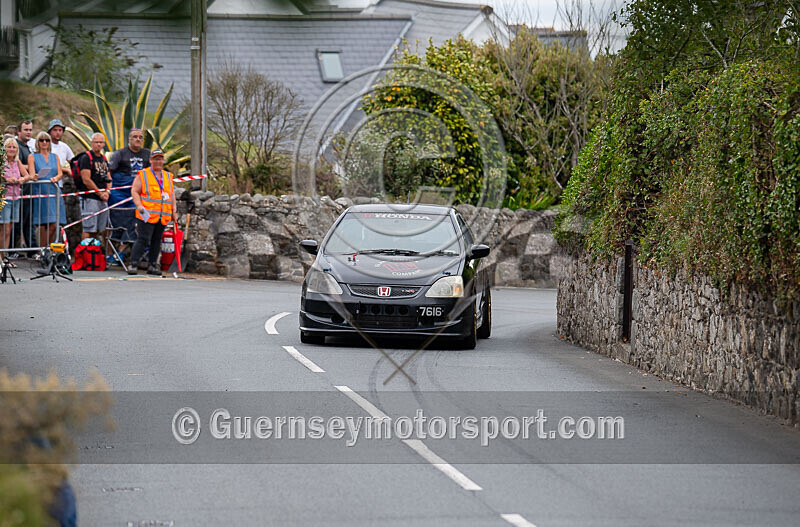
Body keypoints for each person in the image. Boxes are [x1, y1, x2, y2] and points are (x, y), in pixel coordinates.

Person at [128, 149, 177, 276]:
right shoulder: (143, 174)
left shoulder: (168, 176)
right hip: (147, 213)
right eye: (156, 159)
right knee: (143, 239)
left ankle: (153, 265)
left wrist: (174, 211)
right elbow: (134, 191)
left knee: (157, 240)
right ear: (150, 160)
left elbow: (171, 194)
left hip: (163, 215)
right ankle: (133, 263)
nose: (158, 161)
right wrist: (139, 205)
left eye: (160, 159)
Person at [108, 129, 149, 249]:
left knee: (136, 221)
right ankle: (113, 252)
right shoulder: (120, 154)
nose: (138, 139)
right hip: (119, 195)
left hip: (137, 194)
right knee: (118, 223)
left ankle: (129, 250)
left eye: (140, 137)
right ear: (129, 139)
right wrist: (108, 190)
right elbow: (109, 172)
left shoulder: (147, 154)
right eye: (135, 137)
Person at [27, 131, 65, 247]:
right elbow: (32, 174)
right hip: (41, 191)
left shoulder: (55, 156)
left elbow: (60, 173)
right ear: (37, 142)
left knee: (54, 224)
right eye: (41, 140)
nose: (44, 142)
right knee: (43, 223)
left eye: (47, 140)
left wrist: (56, 178)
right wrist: (35, 176)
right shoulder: (32, 156)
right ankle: (42, 250)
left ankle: (46, 248)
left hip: (54, 191)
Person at [78, 133, 111, 247]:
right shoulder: (86, 158)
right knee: (88, 228)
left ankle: (93, 253)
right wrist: (100, 193)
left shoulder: (103, 158)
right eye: (96, 142)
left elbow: (109, 177)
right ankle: (84, 252)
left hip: (103, 198)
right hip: (90, 198)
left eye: (101, 142)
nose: (98, 144)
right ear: (92, 143)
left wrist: (107, 192)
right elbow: (86, 179)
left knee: (98, 229)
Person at [1, 137, 33, 249]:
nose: (11, 149)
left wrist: (22, 179)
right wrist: (7, 180)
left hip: (16, 199)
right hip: (4, 200)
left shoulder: (17, 162)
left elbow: (28, 175)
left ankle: (4, 255)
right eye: (9, 147)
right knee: (4, 230)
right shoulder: (2, 162)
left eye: (14, 147)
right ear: (4, 149)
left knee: (9, 230)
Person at [47, 120, 74, 189]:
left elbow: (73, 161)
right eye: (55, 130)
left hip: (63, 184)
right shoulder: (46, 146)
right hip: (50, 182)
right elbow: (47, 165)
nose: (58, 133)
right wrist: (66, 170)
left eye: (60, 130)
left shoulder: (64, 146)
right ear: (50, 132)